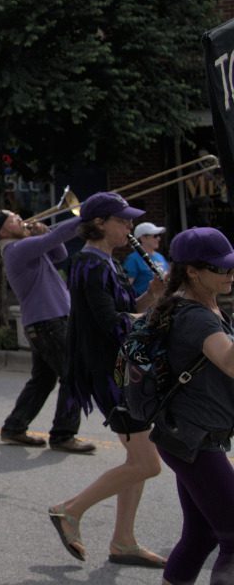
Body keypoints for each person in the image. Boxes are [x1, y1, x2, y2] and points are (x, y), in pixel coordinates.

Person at [49, 192, 166, 568]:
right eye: (123, 221)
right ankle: (70, 510)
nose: (129, 227)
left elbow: (126, 310)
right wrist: (160, 322)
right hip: (111, 375)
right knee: (148, 463)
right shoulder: (88, 263)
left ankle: (123, 541)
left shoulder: (107, 263)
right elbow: (110, 323)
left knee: (138, 458)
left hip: (123, 371)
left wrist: (152, 296)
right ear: (99, 223)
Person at [146, 228, 234, 585]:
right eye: (222, 268)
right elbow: (230, 363)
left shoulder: (198, 305)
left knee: (201, 536)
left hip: (188, 436)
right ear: (194, 271)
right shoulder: (194, 315)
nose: (231, 274)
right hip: (195, 441)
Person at [0, 210, 96, 454]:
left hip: (47, 320)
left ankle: (14, 427)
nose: (21, 219)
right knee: (74, 376)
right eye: (13, 219)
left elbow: (59, 253)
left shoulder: (25, 247)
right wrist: (90, 212)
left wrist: (44, 232)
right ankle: (63, 434)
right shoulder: (17, 249)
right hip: (48, 321)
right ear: (2, 231)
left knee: (43, 380)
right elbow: (60, 235)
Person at [124, 221, 169, 297]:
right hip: (144, 305)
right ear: (143, 238)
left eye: (159, 235)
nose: (159, 238)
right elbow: (125, 289)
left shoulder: (160, 257)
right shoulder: (133, 259)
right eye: (155, 236)